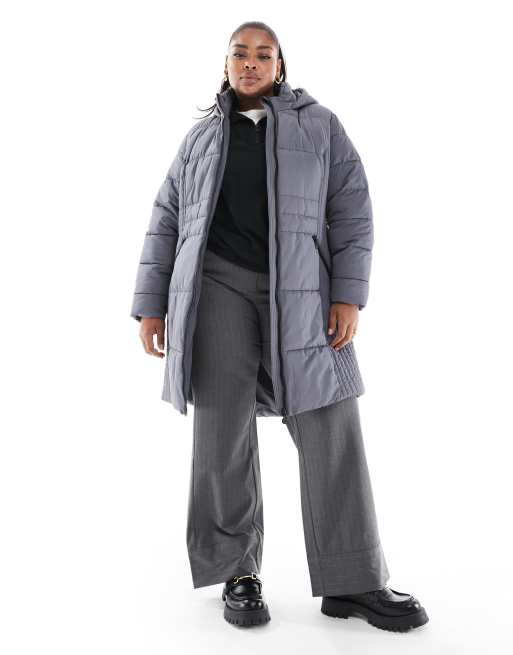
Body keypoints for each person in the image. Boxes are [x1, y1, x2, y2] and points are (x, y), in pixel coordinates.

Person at [130, 21, 429, 632]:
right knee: (221, 428)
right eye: (239, 53)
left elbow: (352, 209)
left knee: (330, 420)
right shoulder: (200, 138)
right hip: (217, 286)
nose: (250, 62)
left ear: (279, 65)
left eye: (262, 54)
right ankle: (236, 572)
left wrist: (347, 295)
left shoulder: (319, 126)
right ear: (225, 64)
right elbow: (166, 219)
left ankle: (353, 580)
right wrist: (151, 305)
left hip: (300, 289)